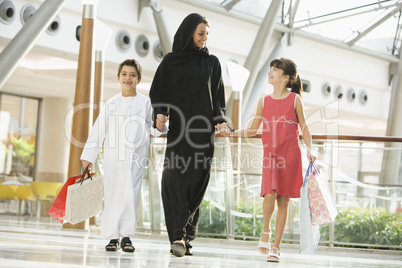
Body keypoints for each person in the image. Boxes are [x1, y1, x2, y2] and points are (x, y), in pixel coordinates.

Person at [218, 57, 316, 262]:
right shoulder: (264, 100)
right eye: (270, 68)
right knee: (269, 194)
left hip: (290, 155)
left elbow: (304, 126)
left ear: (286, 77)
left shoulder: (295, 99)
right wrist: (232, 133)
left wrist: (309, 149)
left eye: (275, 69)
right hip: (270, 155)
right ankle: (266, 231)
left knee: (283, 200)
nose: (270, 72)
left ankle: (276, 248)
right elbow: (254, 129)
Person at [149, 13, 227, 257]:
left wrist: (221, 121)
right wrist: (161, 112)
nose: (204, 39)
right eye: (200, 33)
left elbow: (218, 99)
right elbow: (158, 90)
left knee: (196, 181)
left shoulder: (212, 63)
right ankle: (179, 236)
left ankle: (183, 235)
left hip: (203, 132)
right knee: (173, 179)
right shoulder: (171, 62)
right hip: (180, 130)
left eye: (206, 34)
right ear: (188, 33)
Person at [80, 59, 166, 252]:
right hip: (113, 157)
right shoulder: (111, 103)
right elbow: (98, 131)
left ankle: (126, 236)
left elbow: (152, 128)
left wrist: (160, 126)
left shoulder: (146, 103)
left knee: (131, 194)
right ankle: (112, 237)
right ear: (118, 78)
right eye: (125, 74)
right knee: (112, 195)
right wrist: (88, 159)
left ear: (139, 79)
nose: (128, 78)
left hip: (136, 157)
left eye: (133, 75)